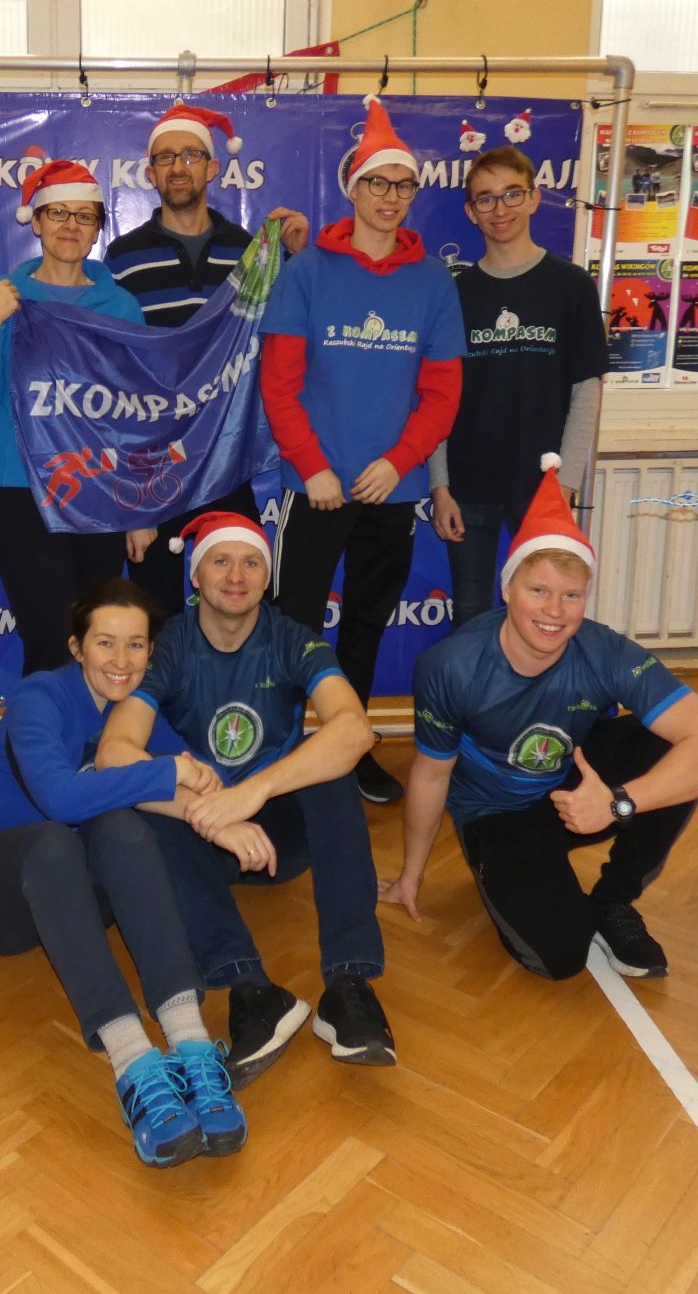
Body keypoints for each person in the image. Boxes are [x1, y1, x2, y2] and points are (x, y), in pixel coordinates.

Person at [0, 577, 246, 1169]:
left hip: (69, 897)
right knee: (59, 835)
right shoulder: (40, 696)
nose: (121, 661)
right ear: (77, 648)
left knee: (124, 828)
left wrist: (214, 807)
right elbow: (58, 798)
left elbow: (204, 775)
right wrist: (168, 775)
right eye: (105, 643)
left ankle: (191, 1042)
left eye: (136, 645)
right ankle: (133, 1063)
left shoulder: (135, 711)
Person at [383, 459, 698, 981]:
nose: (555, 611)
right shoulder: (450, 666)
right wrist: (410, 876)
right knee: (561, 958)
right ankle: (515, 870)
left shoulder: (603, 649)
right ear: (507, 589)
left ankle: (613, 899)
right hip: (496, 815)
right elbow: (431, 775)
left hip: (577, 791)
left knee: (672, 748)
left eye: (571, 595)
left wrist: (617, 802)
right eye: (539, 591)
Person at [97, 511, 393, 1086]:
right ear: (196, 576)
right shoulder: (169, 645)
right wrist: (209, 813)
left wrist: (253, 793)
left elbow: (355, 729)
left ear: (267, 577)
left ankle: (349, 985)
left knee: (330, 769)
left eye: (251, 562)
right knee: (142, 809)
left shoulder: (292, 638)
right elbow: (113, 754)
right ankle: (251, 990)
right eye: (221, 561)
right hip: (204, 834)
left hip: (277, 837)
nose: (236, 576)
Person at [260, 96, 464, 805]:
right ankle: (283, 748)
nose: (390, 196)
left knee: (366, 625)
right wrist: (313, 467)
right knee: (295, 623)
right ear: (353, 187)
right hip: (314, 487)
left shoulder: (432, 282)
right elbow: (279, 386)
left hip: (391, 490)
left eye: (403, 184)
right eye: (377, 182)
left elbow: (442, 394)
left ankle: (348, 749)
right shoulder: (308, 271)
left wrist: (400, 462)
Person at [104, 104, 309, 619]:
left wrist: (297, 257)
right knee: (155, 610)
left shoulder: (249, 252)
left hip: (226, 458)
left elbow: (292, 331)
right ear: (150, 173)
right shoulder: (123, 257)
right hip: (153, 462)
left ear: (213, 168)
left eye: (191, 155)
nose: (179, 167)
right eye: (166, 157)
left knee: (239, 602)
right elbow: (114, 370)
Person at [0, 158, 155, 674]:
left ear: (98, 228)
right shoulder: (4, 296)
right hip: (21, 493)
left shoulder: (121, 306)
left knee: (97, 642)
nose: (70, 225)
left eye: (84, 216)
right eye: (58, 213)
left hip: (100, 491)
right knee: (50, 642)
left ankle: (92, 730)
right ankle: (43, 731)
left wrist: (140, 509)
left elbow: (134, 414)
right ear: (37, 222)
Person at [429, 147, 607, 631]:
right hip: (467, 486)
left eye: (511, 194)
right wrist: (440, 486)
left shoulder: (571, 286)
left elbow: (586, 390)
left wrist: (565, 483)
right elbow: (438, 395)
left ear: (534, 198)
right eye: (485, 199)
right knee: (469, 614)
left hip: (543, 486)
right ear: (471, 212)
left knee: (546, 612)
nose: (499, 208)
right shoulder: (456, 293)